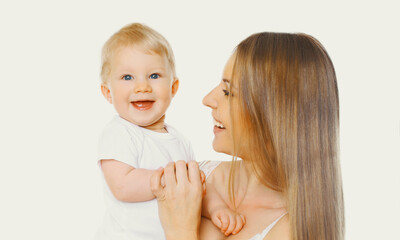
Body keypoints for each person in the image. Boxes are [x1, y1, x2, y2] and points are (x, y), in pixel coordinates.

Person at [152, 32, 345, 240]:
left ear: (274, 114)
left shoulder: (290, 231)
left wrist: (181, 231)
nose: (207, 99)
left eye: (228, 93)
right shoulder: (193, 177)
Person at [94, 23, 243, 240]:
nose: (142, 86)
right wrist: (168, 179)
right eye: (127, 77)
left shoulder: (180, 141)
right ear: (108, 92)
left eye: (154, 76)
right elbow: (122, 186)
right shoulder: (118, 132)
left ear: (173, 88)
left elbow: (196, 191)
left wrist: (217, 209)